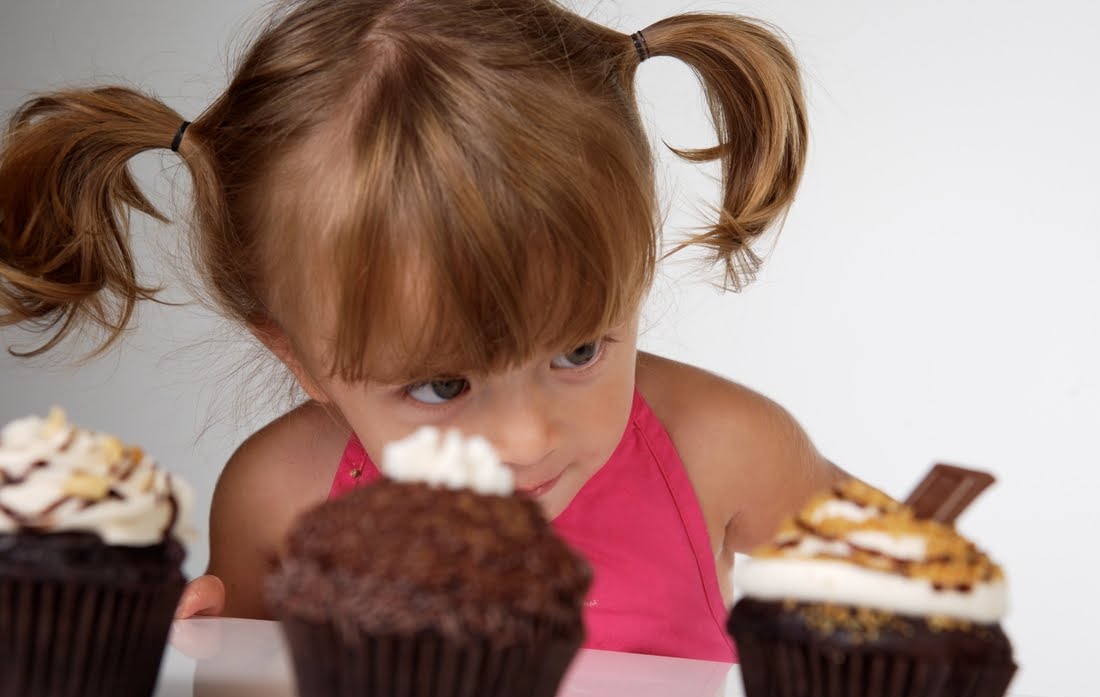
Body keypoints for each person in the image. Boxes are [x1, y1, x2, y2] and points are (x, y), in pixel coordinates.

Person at [0, 0, 844, 662]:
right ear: (299, 356)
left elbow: (909, 582)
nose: (524, 437)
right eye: (442, 385)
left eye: (579, 349)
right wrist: (223, 671)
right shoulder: (278, 502)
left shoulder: (724, 449)